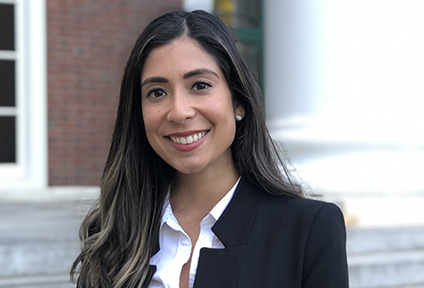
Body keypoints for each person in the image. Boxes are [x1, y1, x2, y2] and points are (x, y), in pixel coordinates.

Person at [71, 10, 349, 288]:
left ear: (238, 101)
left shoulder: (308, 230)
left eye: (200, 85)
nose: (178, 112)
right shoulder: (112, 234)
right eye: (157, 92)